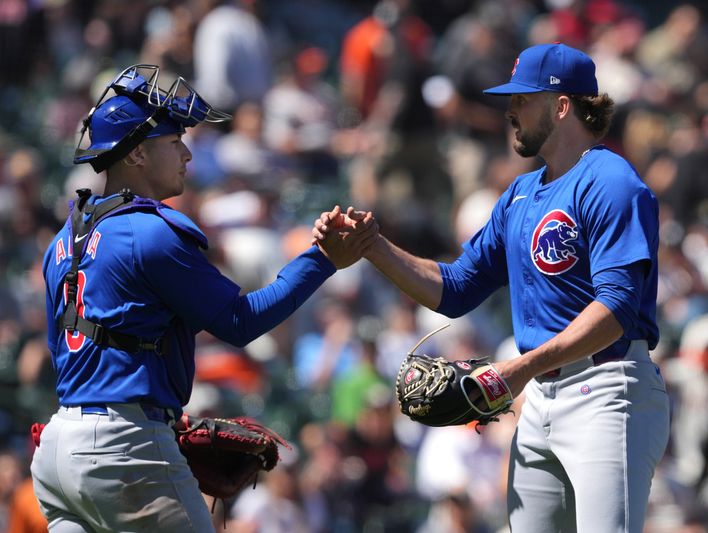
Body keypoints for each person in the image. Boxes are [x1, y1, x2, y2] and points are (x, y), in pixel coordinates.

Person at [315, 43, 670, 532]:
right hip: (540, 397)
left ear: (562, 105)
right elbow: (457, 287)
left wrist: (519, 369)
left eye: (523, 99)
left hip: (606, 391)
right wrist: (374, 246)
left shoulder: (610, 182)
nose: (510, 110)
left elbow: (615, 310)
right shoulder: (521, 195)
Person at [30, 64, 376, 533]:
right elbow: (240, 322)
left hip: (57, 452)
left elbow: (71, 348)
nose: (187, 154)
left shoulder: (62, 242)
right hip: (123, 446)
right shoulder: (149, 233)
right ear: (135, 156)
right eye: (173, 142)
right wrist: (322, 260)